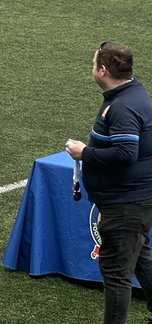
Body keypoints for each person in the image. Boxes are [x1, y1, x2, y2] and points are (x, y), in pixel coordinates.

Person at [66, 41, 152, 324]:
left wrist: (84, 153)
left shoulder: (124, 106)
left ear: (102, 71)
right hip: (133, 200)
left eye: (93, 65)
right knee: (140, 258)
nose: (92, 69)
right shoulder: (133, 93)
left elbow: (126, 154)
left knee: (116, 275)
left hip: (125, 204)